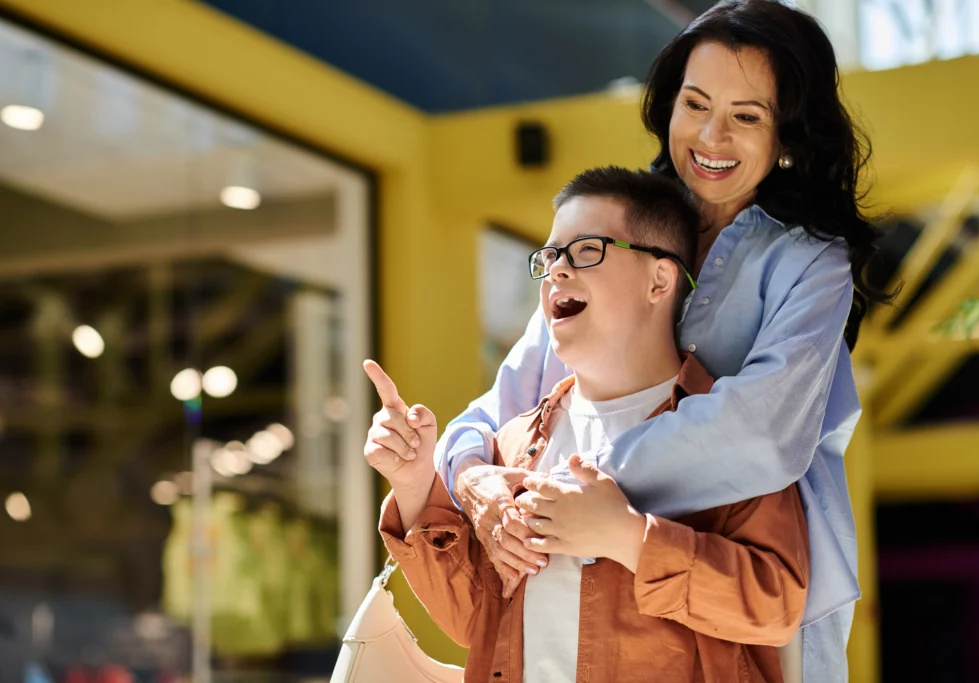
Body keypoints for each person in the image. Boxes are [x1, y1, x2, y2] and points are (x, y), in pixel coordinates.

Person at [430, 2, 893, 681]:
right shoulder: (616, 228)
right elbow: (502, 406)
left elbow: (766, 433)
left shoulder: (810, 263)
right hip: (592, 567)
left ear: (787, 135)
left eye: (746, 116)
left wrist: (577, 487)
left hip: (742, 584)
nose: (711, 135)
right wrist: (477, 482)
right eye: (695, 103)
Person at [365, 167, 810, 682]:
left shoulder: (733, 431)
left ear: (660, 280)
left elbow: (776, 607)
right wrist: (416, 483)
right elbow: (479, 623)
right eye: (549, 256)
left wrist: (629, 538)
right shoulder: (514, 445)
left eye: (586, 251)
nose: (556, 271)